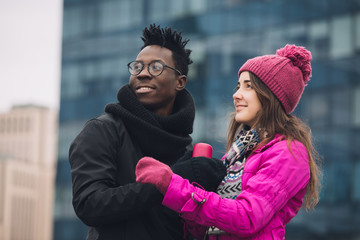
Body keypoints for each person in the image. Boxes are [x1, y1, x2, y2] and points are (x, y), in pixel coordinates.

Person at [135, 44, 322, 239]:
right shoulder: (239, 153)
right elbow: (206, 225)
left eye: (248, 86)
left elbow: (246, 217)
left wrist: (172, 184)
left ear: (272, 96)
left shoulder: (288, 153)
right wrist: (192, 177)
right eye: (238, 86)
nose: (236, 95)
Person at [69, 24, 226, 240]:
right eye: (137, 67)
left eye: (155, 67)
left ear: (179, 82)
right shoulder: (102, 130)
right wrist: (172, 182)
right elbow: (90, 204)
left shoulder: (186, 149)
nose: (143, 74)